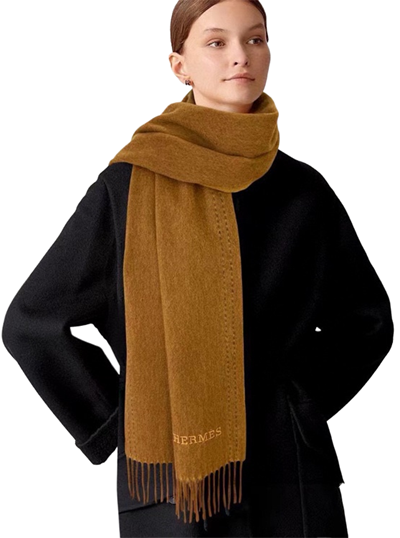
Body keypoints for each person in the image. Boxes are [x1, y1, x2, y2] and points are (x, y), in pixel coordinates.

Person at [1, 0, 394, 537]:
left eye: (255, 39)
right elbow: (32, 322)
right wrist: (120, 420)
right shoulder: (128, 187)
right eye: (216, 42)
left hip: (289, 475)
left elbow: (366, 321)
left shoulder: (303, 190)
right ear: (179, 65)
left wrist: (298, 403)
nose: (241, 56)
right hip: (168, 478)